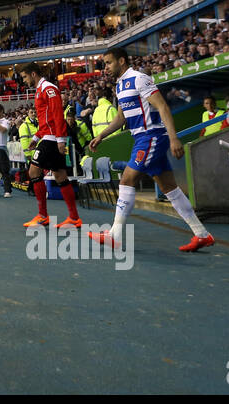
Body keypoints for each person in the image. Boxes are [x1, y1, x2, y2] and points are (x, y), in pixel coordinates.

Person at [87, 47, 214, 252]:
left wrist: (174, 138)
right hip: (141, 138)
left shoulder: (139, 78)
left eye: (109, 63)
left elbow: (162, 106)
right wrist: (101, 135)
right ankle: (202, 234)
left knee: (127, 179)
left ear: (121, 61)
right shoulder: (120, 86)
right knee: (169, 188)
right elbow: (121, 118)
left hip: (152, 136)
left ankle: (114, 236)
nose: (106, 67)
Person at [18, 63, 80, 230]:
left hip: (53, 139)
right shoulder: (40, 90)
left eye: (24, 77)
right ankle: (74, 217)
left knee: (33, 171)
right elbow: (47, 120)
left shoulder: (48, 88)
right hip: (48, 136)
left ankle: (43, 216)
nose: (24, 81)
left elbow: (58, 114)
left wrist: (61, 139)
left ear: (33, 74)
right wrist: (36, 136)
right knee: (60, 176)